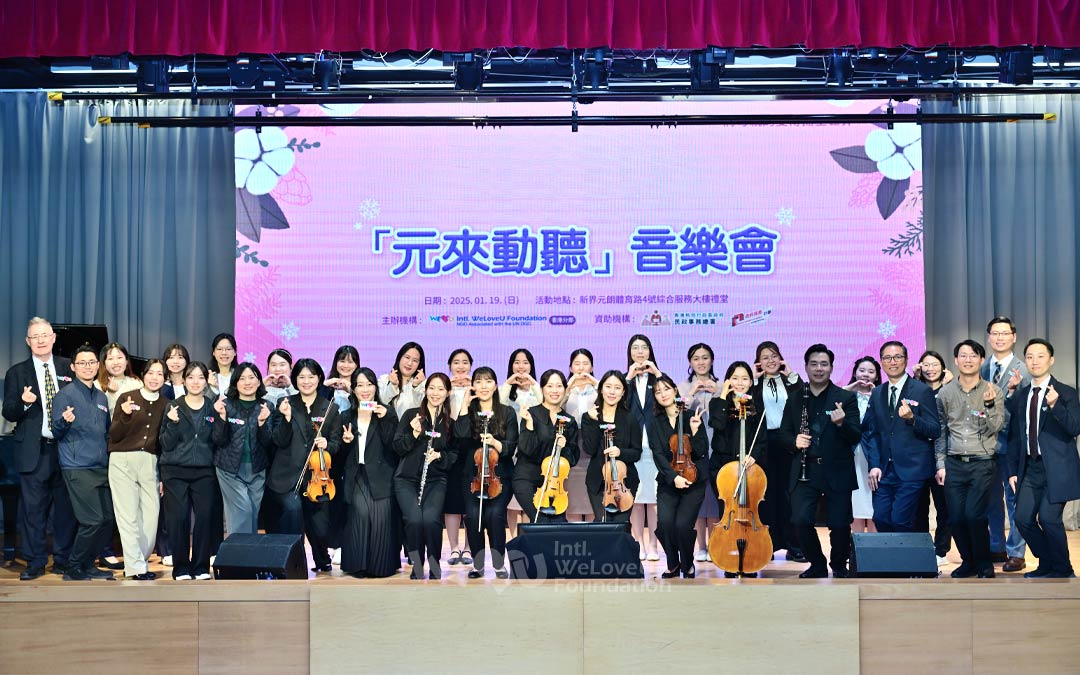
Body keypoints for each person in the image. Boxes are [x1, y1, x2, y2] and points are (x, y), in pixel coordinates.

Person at [2, 317, 77, 580]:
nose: (41, 340)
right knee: (33, 511)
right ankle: (34, 561)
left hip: (66, 449)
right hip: (34, 451)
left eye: (45, 335)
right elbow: (8, 412)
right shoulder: (17, 372)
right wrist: (23, 402)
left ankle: (63, 559)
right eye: (35, 336)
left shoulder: (69, 367)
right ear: (28, 341)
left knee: (65, 510)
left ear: (54, 338)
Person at [778, 345, 862, 578]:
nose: (818, 369)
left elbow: (856, 435)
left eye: (824, 364)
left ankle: (838, 565)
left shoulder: (845, 398)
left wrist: (842, 424)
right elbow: (783, 434)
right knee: (800, 519)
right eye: (813, 364)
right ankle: (816, 563)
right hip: (805, 468)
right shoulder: (795, 398)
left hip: (837, 470)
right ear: (805, 367)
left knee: (840, 523)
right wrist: (793, 441)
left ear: (832, 368)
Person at [1007, 339, 1080, 578]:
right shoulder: (1022, 395)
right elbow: (1015, 436)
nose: (1034, 361)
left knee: (1049, 519)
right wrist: (1012, 471)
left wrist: (1056, 405)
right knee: (1022, 519)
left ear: (1051, 360)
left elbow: (1074, 428)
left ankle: (1063, 568)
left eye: (1040, 356)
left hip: (1057, 469)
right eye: (1029, 356)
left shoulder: (1066, 392)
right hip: (1030, 468)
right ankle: (1048, 562)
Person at [934, 340, 1005, 579]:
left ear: (981, 360)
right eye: (963, 355)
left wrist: (989, 404)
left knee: (974, 515)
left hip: (983, 462)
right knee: (955, 517)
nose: (968, 360)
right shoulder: (945, 393)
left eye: (973, 355)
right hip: (954, 463)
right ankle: (968, 562)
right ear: (955, 360)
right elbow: (941, 431)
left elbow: (996, 426)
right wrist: (940, 464)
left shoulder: (994, 390)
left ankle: (983, 562)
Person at [267, 358, 342, 574]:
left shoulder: (330, 408)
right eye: (301, 377)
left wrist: (328, 444)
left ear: (319, 379)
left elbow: (336, 443)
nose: (306, 381)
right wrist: (286, 419)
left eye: (311, 376)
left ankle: (321, 558)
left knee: (320, 525)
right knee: (293, 511)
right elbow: (279, 440)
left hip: (317, 477)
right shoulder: (285, 403)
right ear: (295, 379)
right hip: (287, 476)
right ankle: (293, 563)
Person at [861, 341, 941, 532]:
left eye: (897, 357)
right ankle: (891, 553)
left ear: (906, 360)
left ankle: (906, 553)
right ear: (882, 362)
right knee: (880, 519)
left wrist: (913, 419)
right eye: (888, 358)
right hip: (883, 471)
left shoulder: (922, 390)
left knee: (900, 520)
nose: (893, 361)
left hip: (912, 470)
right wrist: (874, 465)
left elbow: (934, 429)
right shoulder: (877, 393)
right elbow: (871, 433)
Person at [51, 344, 115, 581]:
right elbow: (56, 431)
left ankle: (88, 565)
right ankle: (73, 566)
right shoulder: (65, 395)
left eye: (91, 362)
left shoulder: (100, 396)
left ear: (98, 366)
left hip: (101, 467)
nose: (87, 367)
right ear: (73, 367)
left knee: (107, 520)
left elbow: (106, 432)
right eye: (82, 363)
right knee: (92, 521)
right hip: (77, 468)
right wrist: (64, 422)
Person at [108, 359, 168, 580]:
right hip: (122, 460)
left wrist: (163, 475)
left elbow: (165, 443)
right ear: (143, 375)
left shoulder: (167, 404)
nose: (154, 377)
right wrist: (124, 415)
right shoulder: (127, 398)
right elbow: (114, 435)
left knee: (151, 519)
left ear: (165, 379)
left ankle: (137, 561)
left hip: (150, 462)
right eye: (150, 373)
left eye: (159, 374)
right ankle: (136, 567)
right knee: (128, 517)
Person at [455, 367, 518, 578]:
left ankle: (499, 563)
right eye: (479, 381)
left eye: (488, 381)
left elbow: (511, 446)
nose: (483, 386)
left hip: (499, 476)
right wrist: (464, 405)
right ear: (473, 385)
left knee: (495, 515)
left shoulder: (507, 412)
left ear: (495, 385)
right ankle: (478, 564)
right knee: (473, 516)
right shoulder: (469, 412)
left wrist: (496, 443)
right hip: (472, 476)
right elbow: (460, 437)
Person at [158, 362, 218, 580]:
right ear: (183, 380)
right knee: (178, 519)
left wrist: (221, 420)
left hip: (204, 471)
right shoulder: (173, 406)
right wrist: (172, 423)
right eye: (191, 377)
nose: (195, 382)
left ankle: (201, 566)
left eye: (200, 377)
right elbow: (165, 443)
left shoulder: (213, 407)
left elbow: (219, 439)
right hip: (175, 471)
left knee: (204, 518)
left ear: (206, 381)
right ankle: (181, 567)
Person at [393, 373, 456, 580]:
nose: (435, 393)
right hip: (406, 479)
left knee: (430, 520)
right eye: (432, 388)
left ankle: (434, 563)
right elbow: (397, 447)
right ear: (425, 390)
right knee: (414, 520)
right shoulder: (411, 415)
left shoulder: (450, 423)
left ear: (447, 393)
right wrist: (412, 434)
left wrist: (440, 456)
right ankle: (417, 564)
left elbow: (454, 454)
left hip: (435, 480)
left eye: (441, 389)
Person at [338, 367, 400, 578]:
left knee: (381, 518)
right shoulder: (346, 415)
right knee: (361, 514)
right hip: (357, 475)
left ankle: (381, 566)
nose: (365, 389)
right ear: (353, 389)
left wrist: (385, 420)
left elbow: (395, 447)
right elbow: (339, 453)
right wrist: (346, 442)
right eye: (360, 385)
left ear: (376, 387)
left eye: (369, 384)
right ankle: (358, 565)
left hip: (382, 475)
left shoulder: (388, 412)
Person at [708, 361, 767, 578]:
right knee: (727, 512)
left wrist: (754, 456)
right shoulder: (718, 403)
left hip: (748, 468)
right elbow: (718, 424)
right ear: (728, 380)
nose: (740, 383)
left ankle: (750, 558)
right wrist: (724, 395)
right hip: (723, 468)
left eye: (744, 378)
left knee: (748, 511)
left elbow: (762, 438)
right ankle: (728, 558)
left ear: (751, 382)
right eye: (735, 378)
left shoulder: (756, 406)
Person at [981, 316, 1030, 572]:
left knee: (1015, 500)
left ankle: (1017, 553)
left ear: (1014, 337)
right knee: (991, 501)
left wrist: (1013, 392)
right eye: (995, 333)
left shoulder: (1025, 368)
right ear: (989, 337)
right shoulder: (982, 367)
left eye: (1004, 333)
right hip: (986, 445)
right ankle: (996, 546)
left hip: (1013, 444)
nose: (1000, 338)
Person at [648, 375, 708, 578]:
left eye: (666, 389)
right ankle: (673, 563)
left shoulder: (691, 415)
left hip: (693, 479)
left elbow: (701, 451)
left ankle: (688, 563)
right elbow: (657, 454)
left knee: (683, 526)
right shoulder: (654, 422)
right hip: (668, 480)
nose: (663, 394)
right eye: (658, 392)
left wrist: (695, 431)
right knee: (665, 524)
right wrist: (673, 477)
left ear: (675, 390)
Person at [752, 340, 805, 562]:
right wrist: (753, 380)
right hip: (764, 444)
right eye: (765, 357)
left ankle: (794, 545)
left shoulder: (789, 382)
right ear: (758, 362)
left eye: (774, 356)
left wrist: (791, 374)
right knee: (766, 496)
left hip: (789, 443)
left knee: (790, 495)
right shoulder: (755, 385)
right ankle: (768, 545)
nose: (770, 361)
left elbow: (804, 398)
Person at [211, 362, 272, 536]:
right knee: (242, 512)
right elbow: (218, 440)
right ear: (235, 382)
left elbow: (267, 442)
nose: (247, 382)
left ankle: (247, 552)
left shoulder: (267, 406)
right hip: (229, 469)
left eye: (251, 377)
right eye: (242, 378)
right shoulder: (225, 405)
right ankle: (238, 552)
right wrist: (221, 419)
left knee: (252, 514)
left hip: (257, 469)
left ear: (259, 381)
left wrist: (262, 423)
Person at [515, 369, 579, 523]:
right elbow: (526, 449)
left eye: (559, 386)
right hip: (527, 478)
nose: (554, 391)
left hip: (554, 484)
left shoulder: (569, 420)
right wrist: (529, 425)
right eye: (550, 386)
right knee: (541, 521)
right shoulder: (530, 414)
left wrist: (564, 447)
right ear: (542, 389)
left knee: (558, 525)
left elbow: (573, 458)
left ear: (565, 389)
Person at [678, 343, 721, 562]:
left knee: (713, 499)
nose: (701, 362)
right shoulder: (683, 387)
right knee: (697, 499)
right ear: (690, 362)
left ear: (712, 360)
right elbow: (678, 412)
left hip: (716, 448)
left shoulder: (721, 386)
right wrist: (692, 393)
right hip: (692, 451)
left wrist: (718, 394)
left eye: (705, 358)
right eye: (696, 358)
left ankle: (714, 544)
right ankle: (701, 547)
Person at [581, 370, 642, 523]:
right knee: (602, 525)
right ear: (601, 389)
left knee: (620, 526)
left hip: (624, 482)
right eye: (608, 387)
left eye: (617, 388)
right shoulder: (589, 416)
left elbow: (636, 453)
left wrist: (620, 452)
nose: (612, 392)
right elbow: (589, 449)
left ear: (623, 392)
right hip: (598, 481)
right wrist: (593, 422)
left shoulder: (630, 418)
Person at [914, 350, 954, 565]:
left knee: (944, 508)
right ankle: (922, 548)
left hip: (944, 457)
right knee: (919, 508)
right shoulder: (915, 390)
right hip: (919, 457)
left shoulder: (949, 390)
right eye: (926, 364)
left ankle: (941, 551)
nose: (930, 369)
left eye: (935, 364)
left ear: (943, 367)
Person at [626, 334, 662, 560]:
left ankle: (654, 546)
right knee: (637, 499)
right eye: (635, 348)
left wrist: (657, 374)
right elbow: (619, 403)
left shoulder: (658, 379)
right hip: (633, 446)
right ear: (629, 352)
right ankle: (638, 543)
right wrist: (628, 378)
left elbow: (671, 397)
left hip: (655, 446)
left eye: (644, 347)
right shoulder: (625, 379)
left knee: (655, 499)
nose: (640, 352)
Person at [499, 348, 540, 538]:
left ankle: (528, 537)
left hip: (531, 448)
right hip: (511, 447)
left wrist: (533, 383)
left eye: (525, 362)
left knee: (527, 496)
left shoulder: (537, 390)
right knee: (512, 502)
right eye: (517, 362)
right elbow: (498, 403)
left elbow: (545, 404)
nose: (521, 366)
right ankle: (514, 538)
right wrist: (509, 383)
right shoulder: (507, 391)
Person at [443, 348, 473, 566]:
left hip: (473, 451)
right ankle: (454, 548)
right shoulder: (443, 390)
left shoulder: (477, 390)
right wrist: (450, 390)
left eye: (464, 362)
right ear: (450, 366)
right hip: (449, 450)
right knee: (452, 501)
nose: (460, 366)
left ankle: (470, 547)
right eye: (456, 362)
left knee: (472, 503)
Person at [844, 357, 880, 533]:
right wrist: (850, 389)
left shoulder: (880, 396)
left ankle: (874, 547)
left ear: (877, 376)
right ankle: (856, 546)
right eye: (862, 370)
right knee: (855, 506)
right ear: (855, 373)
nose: (866, 375)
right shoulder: (846, 395)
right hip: (850, 456)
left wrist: (877, 397)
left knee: (874, 507)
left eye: (871, 372)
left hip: (874, 456)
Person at [563, 348, 598, 522]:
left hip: (593, 445)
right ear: (570, 368)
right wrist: (568, 388)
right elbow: (555, 407)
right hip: (570, 444)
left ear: (592, 367)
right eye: (577, 364)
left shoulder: (599, 389)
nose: (581, 368)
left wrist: (596, 383)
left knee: (593, 496)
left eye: (585, 363)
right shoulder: (563, 390)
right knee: (573, 498)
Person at [379, 342, 427, 418]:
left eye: (415, 360)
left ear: (419, 364)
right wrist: (393, 386)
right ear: (399, 358)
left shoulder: (424, 385)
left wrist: (416, 386)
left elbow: (422, 409)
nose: (409, 363)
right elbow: (380, 403)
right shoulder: (384, 380)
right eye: (407, 357)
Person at [96, 342, 142, 414]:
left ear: (126, 361)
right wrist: (111, 393)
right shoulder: (97, 385)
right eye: (110, 359)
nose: (116, 362)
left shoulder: (136, 383)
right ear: (104, 363)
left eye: (119, 358)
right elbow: (100, 412)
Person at [208, 333, 239, 398]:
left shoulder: (240, 376)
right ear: (213, 352)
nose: (224, 353)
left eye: (228, 349)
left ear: (235, 352)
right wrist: (213, 388)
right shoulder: (207, 377)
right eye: (219, 349)